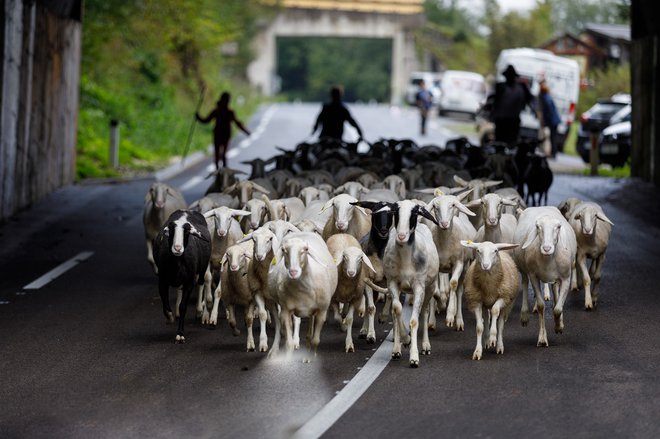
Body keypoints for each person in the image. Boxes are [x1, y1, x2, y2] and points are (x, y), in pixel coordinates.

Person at [196, 92, 251, 170]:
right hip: (222, 135)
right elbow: (237, 123)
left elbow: (205, 120)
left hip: (221, 135)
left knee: (219, 154)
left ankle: (220, 172)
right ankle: (221, 172)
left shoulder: (221, 111)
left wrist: (198, 118)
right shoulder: (226, 111)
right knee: (221, 155)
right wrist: (246, 132)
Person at [491, 64, 535, 145]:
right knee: (501, 141)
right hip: (502, 119)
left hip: (512, 119)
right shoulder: (501, 87)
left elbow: (530, 100)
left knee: (510, 141)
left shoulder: (521, 87)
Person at [538, 80, 562, 158]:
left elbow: (548, 111)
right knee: (552, 137)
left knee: (553, 137)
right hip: (553, 120)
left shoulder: (545, 97)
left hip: (553, 121)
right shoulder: (547, 96)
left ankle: (553, 153)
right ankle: (552, 153)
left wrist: (546, 121)